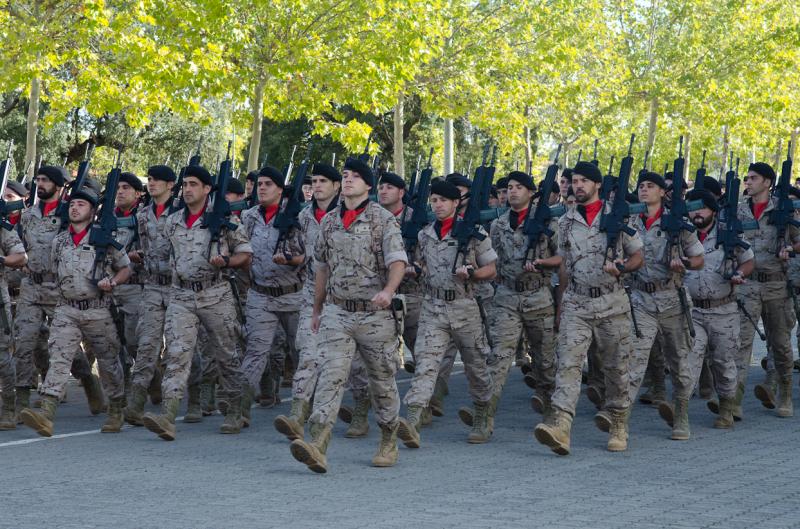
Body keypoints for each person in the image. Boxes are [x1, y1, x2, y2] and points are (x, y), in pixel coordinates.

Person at [288, 157, 407, 473]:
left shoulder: (383, 221)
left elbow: (398, 262)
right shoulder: (328, 222)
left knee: (382, 382)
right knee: (331, 377)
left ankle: (388, 438)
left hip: (375, 315)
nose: (350, 179)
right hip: (337, 313)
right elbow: (321, 270)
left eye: (357, 176)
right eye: (346, 175)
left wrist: (389, 291)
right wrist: (316, 310)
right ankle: (318, 444)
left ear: (368, 186)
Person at [533, 161, 643, 455]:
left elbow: (638, 256)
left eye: (584, 181)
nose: (577, 186)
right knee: (568, 364)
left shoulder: (617, 216)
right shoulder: (565, 221)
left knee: (616, 367)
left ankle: (619, 422)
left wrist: (622, 268)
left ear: (597, 185)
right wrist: (561, 303)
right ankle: (561, 426)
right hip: (576, 303)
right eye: (574, 181)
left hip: (611, 302)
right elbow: (566, 265)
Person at [142, 165, 252, 441]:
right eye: (185, 184)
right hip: (181, 295)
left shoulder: (225, 219)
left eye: (194, 184)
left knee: (227, 354)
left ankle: (235, 409)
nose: (188, 189)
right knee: (177, 354)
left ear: (206, 189)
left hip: (216, 293)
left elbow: (245, 254)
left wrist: (226, 261)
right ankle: (168, 414)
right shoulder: (173, 221)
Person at [19, 184, 131, 437]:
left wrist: (112, 282)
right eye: (72, 204)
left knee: (109, 362)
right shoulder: (59, 241)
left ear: (92, 211)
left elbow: (125, 267)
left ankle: (115, 408)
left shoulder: (104, 239)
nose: (75, 208)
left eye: (81, 204)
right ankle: (47, 412)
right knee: (59, 356)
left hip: (98, 310)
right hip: (67, 309)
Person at [397, 178, 496, 448]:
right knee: (426, 365)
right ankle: (413, 419)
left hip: (464, 307)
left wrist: (473, 273)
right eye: (434, 201)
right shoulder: (425, 233)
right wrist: (416, 269)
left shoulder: (475, 233)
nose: (438, 205)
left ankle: (483, 415)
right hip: (433, 307)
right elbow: (424, 263)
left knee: (476, 365)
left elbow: (492, 269)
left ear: (455, 203)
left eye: (443, 201)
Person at [15, 165, 104, 419]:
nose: (40, 184)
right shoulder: (29, 215)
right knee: (25, 343)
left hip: (59, 287)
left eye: (45, 180)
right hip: (32, 285)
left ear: (59, 185)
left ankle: (88, 380)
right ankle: (19, 402)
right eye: (38, 180)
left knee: (64, 345)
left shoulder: (71, 214)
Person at [624, 171, 704, 441]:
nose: (644, 190)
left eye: (650, 186)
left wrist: (684, 263)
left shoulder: (678, 223)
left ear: (662, 192)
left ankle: (681, 415)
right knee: (634, 361)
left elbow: (699, 259)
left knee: (680, 362)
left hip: (672, 300)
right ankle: (619, 423)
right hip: (640, 300)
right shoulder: (629, 221)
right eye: (641, 186)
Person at [239, 166, 305, 426]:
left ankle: (303, 407)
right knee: (255, 351)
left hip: (293, 295)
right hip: (260, 295)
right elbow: (240, 248)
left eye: (268, 184)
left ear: (280, 189)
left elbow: (309, 256)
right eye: (259, 184)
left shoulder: (297, 216)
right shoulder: (249, 216)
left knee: (300, 351)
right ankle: (239, 409)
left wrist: (291, 260)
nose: (262, 188)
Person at [684, 189, 753, 428]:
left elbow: (749, 260)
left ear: (713, 210)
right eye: (692, 208)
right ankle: (680, 413)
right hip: (693, 311)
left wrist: (739, 274)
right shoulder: (682, 234)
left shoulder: (728, 233)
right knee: (689, 359)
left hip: (724, 310)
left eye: (701, 208)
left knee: (724, 362)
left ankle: (726, 408)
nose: (697, 213)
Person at [737, 162, 800, 419]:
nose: (748, 183)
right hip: (748, 285)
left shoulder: (783, 209)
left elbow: (798, 240)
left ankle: (784, 394)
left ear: (767, 182)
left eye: (753, 178)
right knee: (740, 345)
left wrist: (791, 249)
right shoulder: (739, 211)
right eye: (746, 179)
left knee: (781, 344)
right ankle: (734, 401)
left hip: (776, 285)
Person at [124, 165, 176, 425]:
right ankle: (135, 403)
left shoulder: (179, 212)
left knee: (180, 347)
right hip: (152, 285)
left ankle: (197, 399)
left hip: (179, 287)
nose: (151, 183)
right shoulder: (143, 215)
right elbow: (141, 245)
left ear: (170, 185)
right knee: (146, 343)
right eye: (150, 179)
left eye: (157, 180)